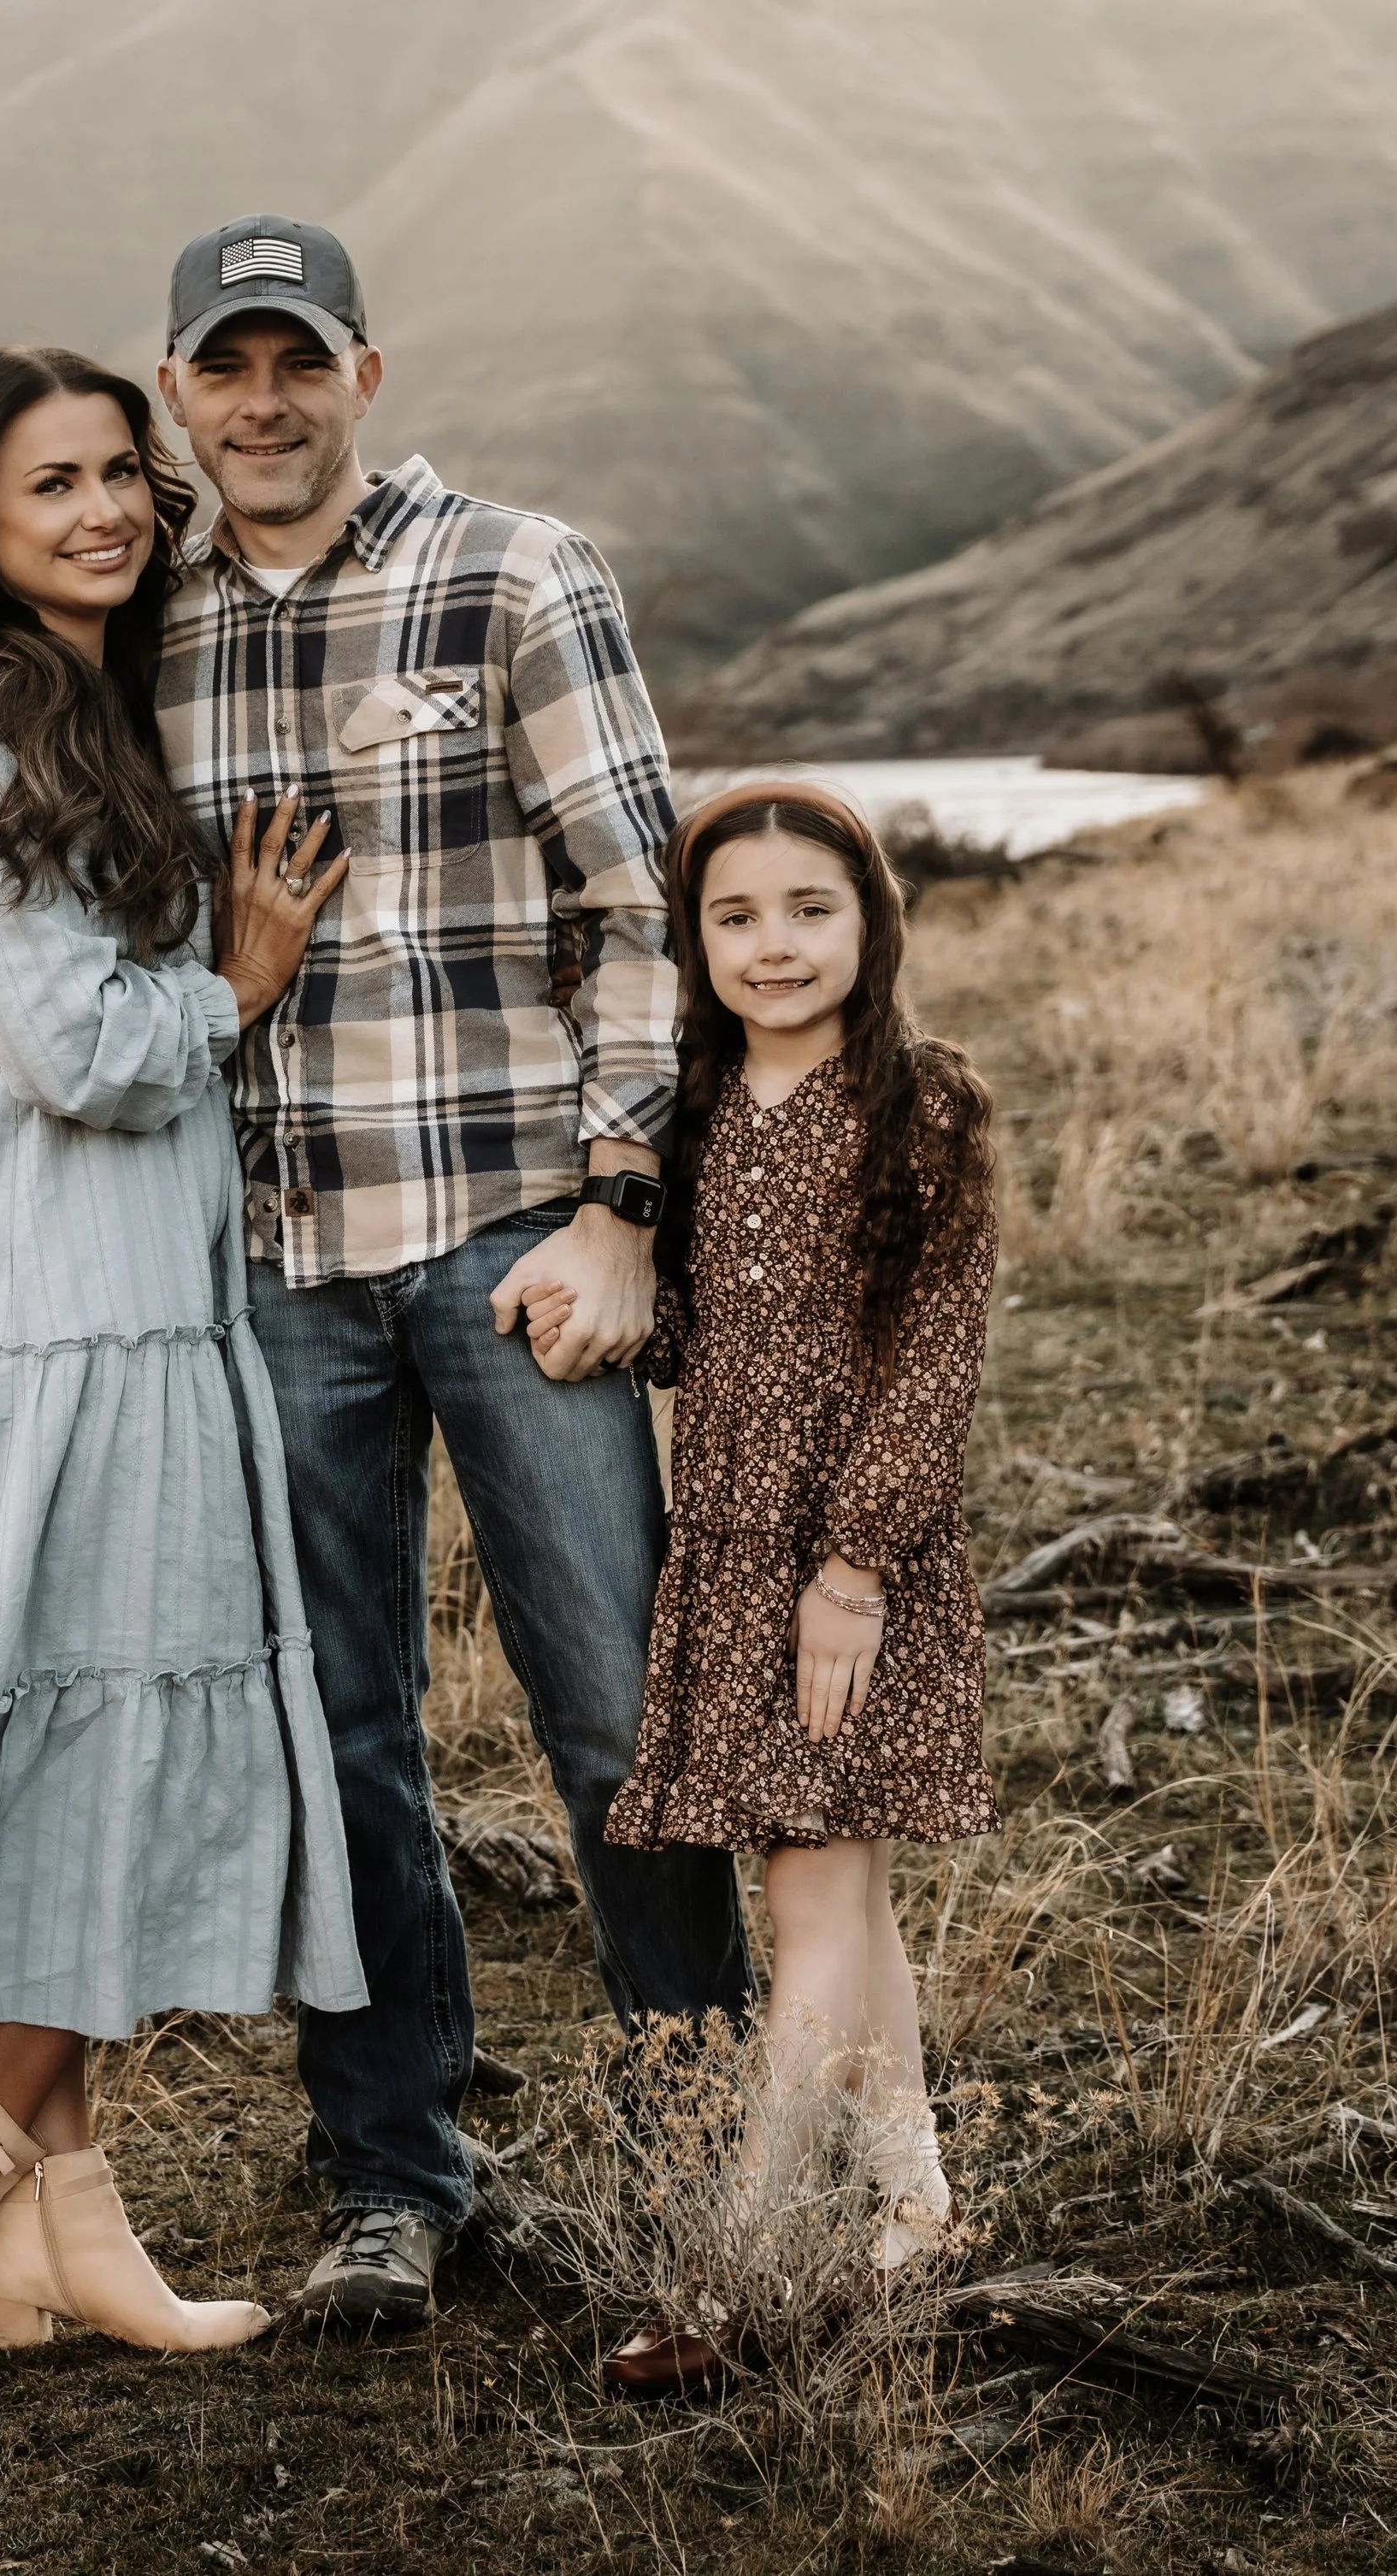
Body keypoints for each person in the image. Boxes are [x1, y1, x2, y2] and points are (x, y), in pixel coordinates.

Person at [0, 215, 752, 2334]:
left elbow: (639, 912)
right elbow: (41, 895)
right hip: (262, 1263)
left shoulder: (512, 575)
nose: (259, 402)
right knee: (333, 1730)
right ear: (179, 393)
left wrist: (622, 1201)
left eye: (299, 360)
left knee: (616, 1710)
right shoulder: (141, 624)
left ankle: (701, 2140)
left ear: (364, 369)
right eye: (222, 369)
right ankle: (396, 2170)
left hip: (504, 1232)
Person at [0, 344, 366, 2369]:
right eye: (55, 484)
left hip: (147, 1281)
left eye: (125, 472)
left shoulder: (99, 699)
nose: (108, 507)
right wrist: (240, 980)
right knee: (96, 1708)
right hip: (63, 1294)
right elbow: (77, 1053)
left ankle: (60, 2226)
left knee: (94, 1705)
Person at [589, 780, 999, 2384]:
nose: (774, 945)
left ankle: (740, 2266)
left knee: (809, 1895)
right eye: (735, 916)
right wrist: (594, 1311)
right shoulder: (690, 1117)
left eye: (810, 910)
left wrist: (854, 1568)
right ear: (695, 942)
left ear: (870, 921)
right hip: (727, 1552)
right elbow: (709, 1332)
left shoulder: (925, 1104)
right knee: (847, 1889)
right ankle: (916, 2209)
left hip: (855, 1563)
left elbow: (932, 1360)